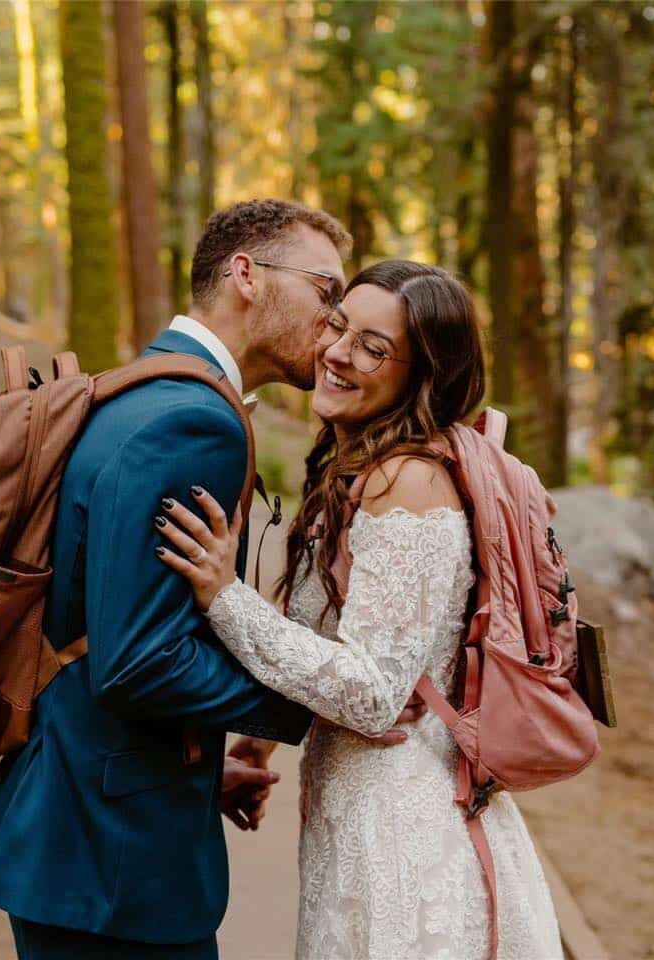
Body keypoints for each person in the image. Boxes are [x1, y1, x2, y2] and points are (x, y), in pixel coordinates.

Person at [0, 200, 417, 960]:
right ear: (246, 275)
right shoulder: (192, 422)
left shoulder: (141, 386)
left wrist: (207, 758)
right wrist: (325, 703)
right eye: (326, 291)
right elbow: (141, 662)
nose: (336, 322)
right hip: (112, 861)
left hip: (79, 828)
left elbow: (116, 620)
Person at [156, 260, 565, 960]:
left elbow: (374, 694)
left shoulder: (406, 483)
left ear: (423, 375)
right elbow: (336, 632)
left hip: (405, 838)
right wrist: (260, 734)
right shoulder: (358, 464)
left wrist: (225, 598)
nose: (338, 354)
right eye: (339, 326)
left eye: (375, 348)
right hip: (358, 817)